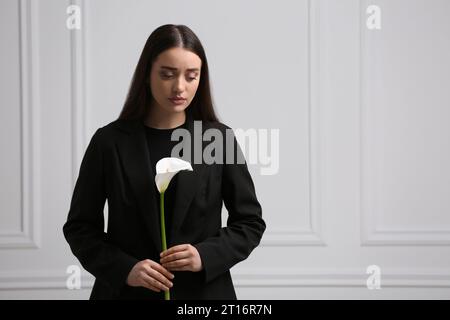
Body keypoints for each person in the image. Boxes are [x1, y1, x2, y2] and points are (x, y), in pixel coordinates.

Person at [63, 24, 266, 300]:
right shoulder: (109, 141)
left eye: (191, 76)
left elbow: (250, 222)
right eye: (167, 74)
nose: (180, 87)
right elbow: (80, 228)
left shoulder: (217, 139)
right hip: (126, 294)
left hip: (202, 296)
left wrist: (204, 255)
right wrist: (126, 269)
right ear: (147, 74)